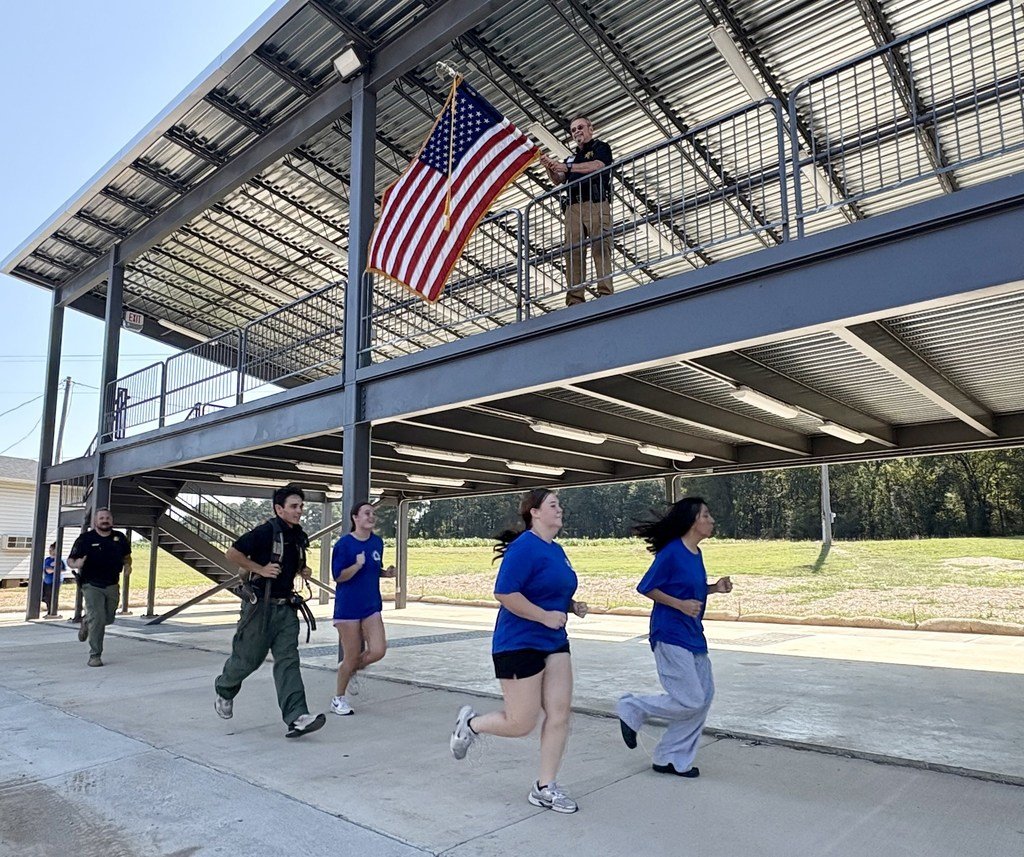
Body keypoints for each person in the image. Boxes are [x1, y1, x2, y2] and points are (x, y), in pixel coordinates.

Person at [449, 488, 588, 814]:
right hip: (518, 643)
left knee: (559, 713)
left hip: (554, 643)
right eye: (553, 505)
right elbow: (505, 593)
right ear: (534, 512)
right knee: (521, 723)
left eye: (559, 505)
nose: (560, 509)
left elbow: (545, 590)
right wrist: (544, 616)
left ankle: (545, 787)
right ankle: (471, 726)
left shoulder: (557, 551)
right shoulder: (524, 547)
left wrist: (571, 605)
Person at [616, 497, 733, 778]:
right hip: (669, 634)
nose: (711, 520)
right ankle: (632, 706)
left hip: (693, 634)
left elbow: (689, 589)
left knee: (703, 698)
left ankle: (671, 757)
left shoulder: (696, 553)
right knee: (691, 699)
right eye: (706, 515)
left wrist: (714, 589)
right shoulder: (671, 552)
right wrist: (679, 605)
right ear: (693, 521)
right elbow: (646, 587)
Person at [214, 484, 326, 739]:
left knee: (288, 661)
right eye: (294, 506)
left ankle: (297, 716)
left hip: (286, 608)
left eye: (301, 506)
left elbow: (292, 562)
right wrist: (260, 569)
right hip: (259, 608)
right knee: (248, 659)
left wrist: (302, 570)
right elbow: (232, 553)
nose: (300, 511)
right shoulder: (265, 532)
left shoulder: (298, 536)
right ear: (279, 509)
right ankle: (224, 688)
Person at [330, 501, 396, 716]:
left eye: (373, 513)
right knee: (350, 656)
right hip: (348, 608)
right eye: (367, 513)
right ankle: (338, 698)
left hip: (371, 606)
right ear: (355, 518)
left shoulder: (377, 542)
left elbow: (374, 568)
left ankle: (348, 670)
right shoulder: (344, 545)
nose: (371, 517)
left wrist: (385, 573)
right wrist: (356, 566)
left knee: (378, 650)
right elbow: (338, 576)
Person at [540, 116, 615, 306]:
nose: (576, 132)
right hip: (572, 207)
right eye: (573, 130)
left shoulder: (600, 147)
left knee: (600, 247)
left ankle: (605, 293)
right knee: (572, 252)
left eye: (580, 127)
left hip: (595, 203)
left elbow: (598, 165)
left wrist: (566, 166)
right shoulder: (571, 157)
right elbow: (559, 179)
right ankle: (575, 300)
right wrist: (550, 167)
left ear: (591, 128)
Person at [67, 509, 132, 667]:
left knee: (108, 618)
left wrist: (128, 566)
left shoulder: (120, 538)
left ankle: (86, 620)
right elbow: (70, 560)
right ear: (95, 522)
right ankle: (95, 655)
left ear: (112, 520)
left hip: (112, 584)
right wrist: (78, 564)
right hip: (91, 584)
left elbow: (126, 556)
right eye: (101, 518)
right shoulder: (85, 539)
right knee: (98, 619)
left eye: (108, 518)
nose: (105, 520)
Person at [42, 541, 66, 612]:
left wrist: (53, 569)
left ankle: (51, 611)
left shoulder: (59, 560)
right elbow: (46, 569)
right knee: (44, 596)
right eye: (49, 550)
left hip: (55, 581)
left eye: (52, 550)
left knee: (51, 597)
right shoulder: (47, 559)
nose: (50, 551)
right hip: (46, 580)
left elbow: (63, 569)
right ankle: (49, 609)